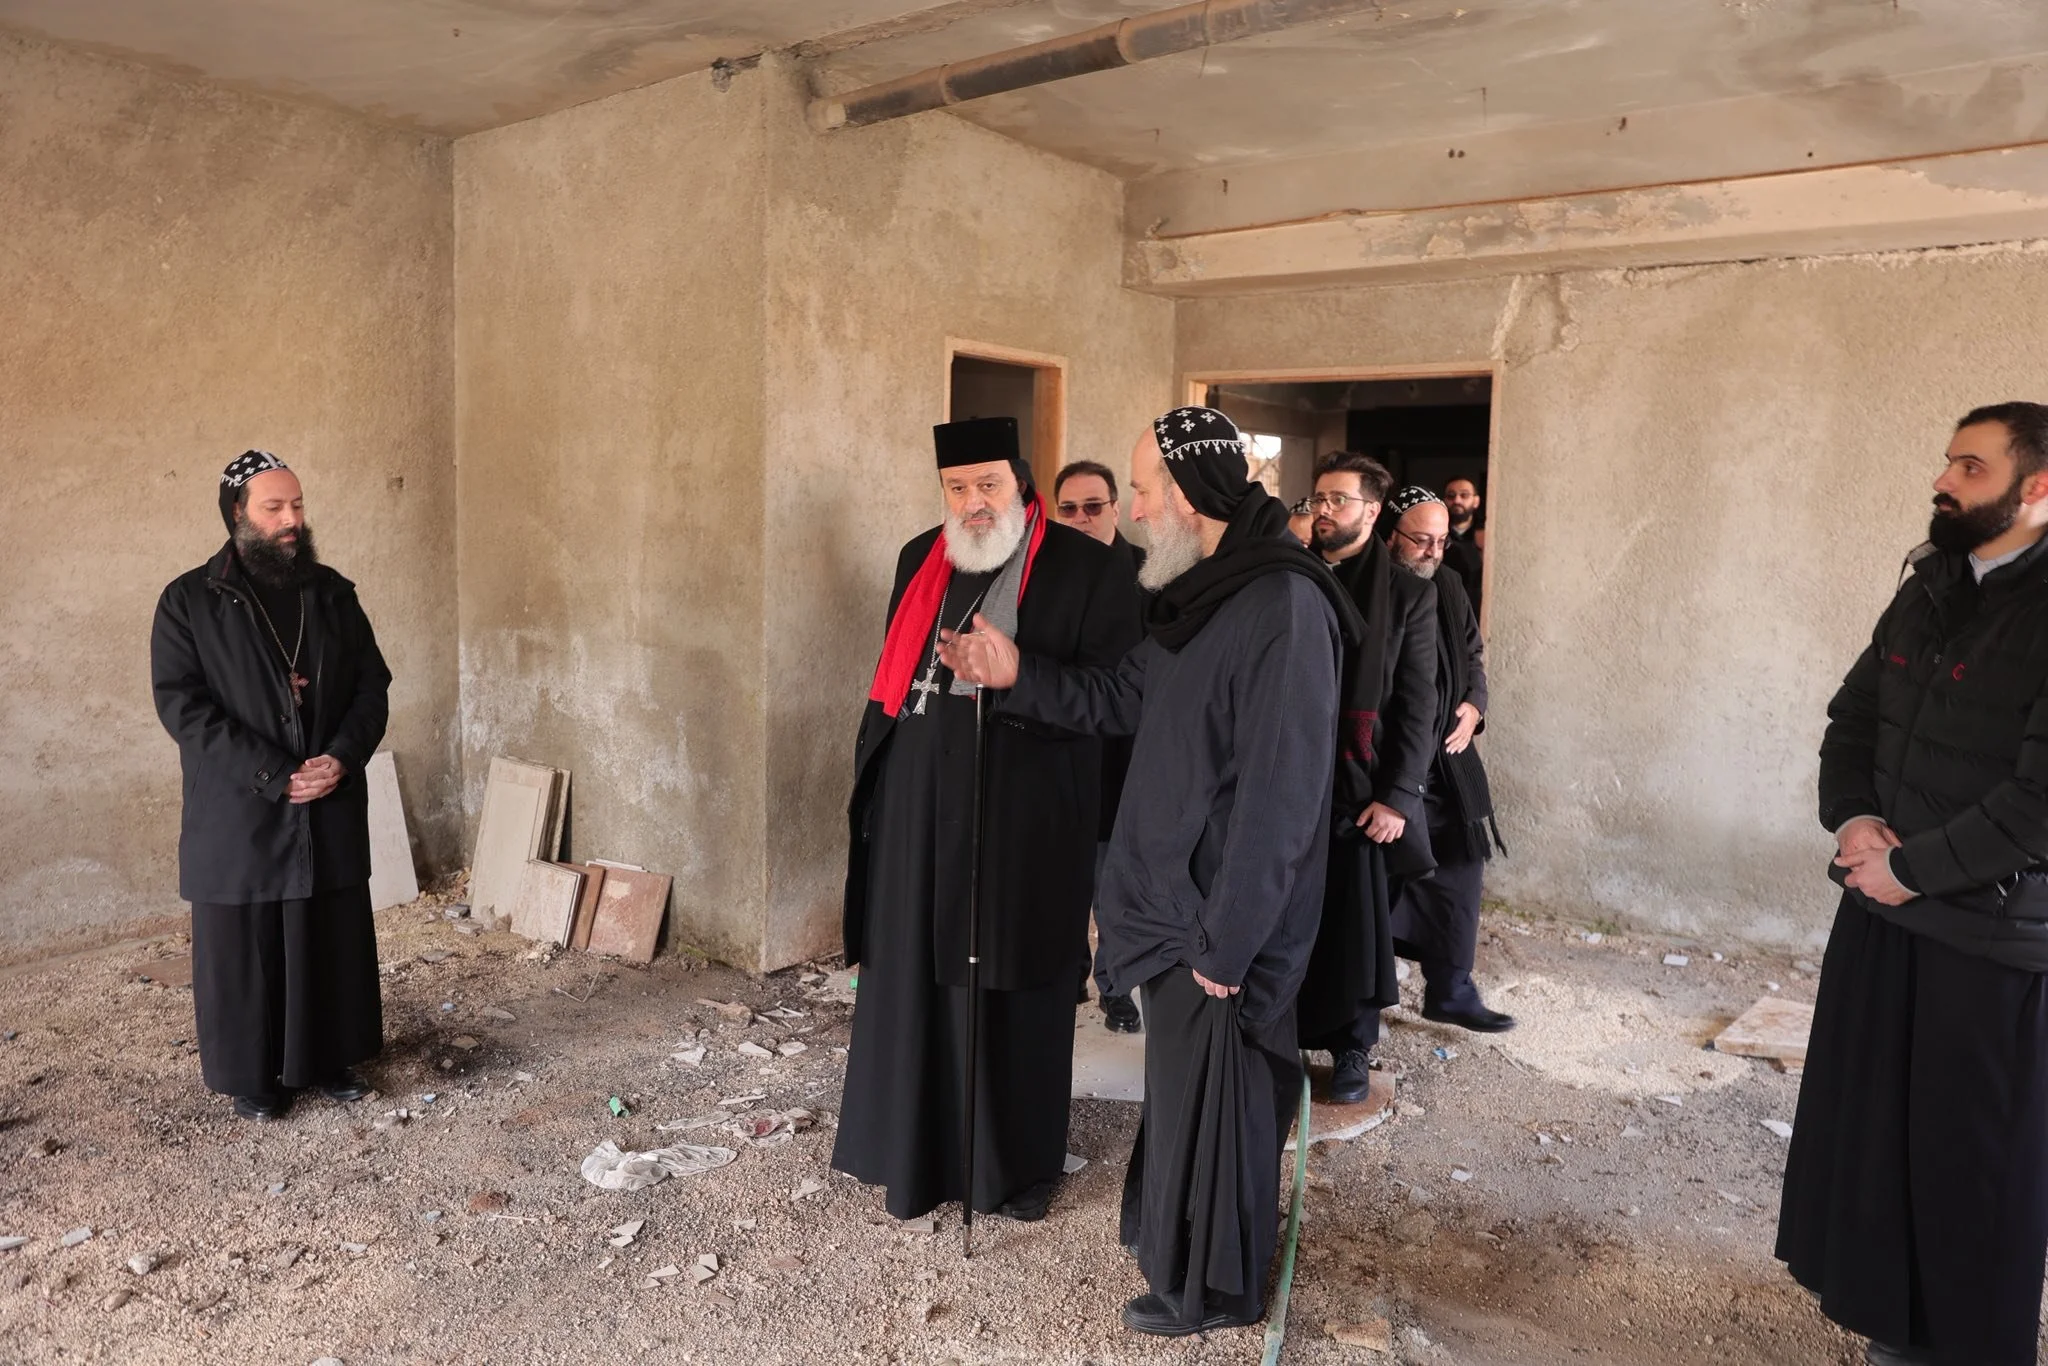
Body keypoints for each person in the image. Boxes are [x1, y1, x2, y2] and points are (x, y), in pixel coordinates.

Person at [941, 406, 1361, 1337]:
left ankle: (1216, 1288)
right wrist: (1017, 673)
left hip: (1219, 917)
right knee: (1186, 1097)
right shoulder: (1206, 590)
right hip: (1177, 904)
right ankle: (1185, 1260)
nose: (1130, 511)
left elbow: (1283, 799)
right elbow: (1121, 694)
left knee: (1232, 1103)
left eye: (1139, 489)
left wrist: (1230, 940)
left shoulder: (1284, 606)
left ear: (1184, 493)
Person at [1777, 402, 2048, 1366]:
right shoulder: (1930, 586)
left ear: (2037, 488)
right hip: (1885, 911)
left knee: (1973, 1171)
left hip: (1992, 941)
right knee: (1876, 1145)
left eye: (1971, 468)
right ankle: (1894, 1330)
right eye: (1948, 462)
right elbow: (1853, 718)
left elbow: (2038, 802)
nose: (1944, 480)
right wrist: (1854, 824)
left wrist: (1910, 870)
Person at [834, 417, 1143, 1224]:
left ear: (1021, 484)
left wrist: (1018, 673)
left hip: (1022, 822)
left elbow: (1120, 703)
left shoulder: (1090, 569)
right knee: (911, 977)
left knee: (1008, 988)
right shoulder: (918, 557)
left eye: (989, 487)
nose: (974, 505)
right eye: (958, 489)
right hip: (915, 812)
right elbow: (896, 684)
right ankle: (911, 1153)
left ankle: (1011, 1167)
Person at [150, 450, 391, 1122]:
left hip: (328, 796)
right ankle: (255, 1077)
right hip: (240, 807)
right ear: (237, 515)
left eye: (298, 505)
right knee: (249, 944)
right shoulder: (189, 602)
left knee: (329, 934)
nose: (292, 521)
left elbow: (373, 687)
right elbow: (183, 707)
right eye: (274, 508)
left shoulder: (334, 595)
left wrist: (341, 757)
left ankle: (331, 1058)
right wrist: (272, 773)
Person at [1291, 453, 1441, 1104]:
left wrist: (1399, 795)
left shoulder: (1409, 594)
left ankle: (1353, 1048)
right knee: (1287, 914)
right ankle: (1283, 1039)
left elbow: (1418, 703)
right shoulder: (1292, 577)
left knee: (1356, 926)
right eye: (1318, 499)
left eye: (1340, 500)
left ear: (1373, 510)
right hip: (1292, 780)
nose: (1325, 511)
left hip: (1360, 787)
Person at [1379, 488, 1513, 1034]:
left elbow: (1474, 655)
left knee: (1459, 865)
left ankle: (1450, 988)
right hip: (1388, 763)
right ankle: (1362, 1010)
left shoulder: (1450, 584)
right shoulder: (1374, 589)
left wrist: (1472, 706)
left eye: (1442, 540)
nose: (1433, 551)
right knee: (1381, 882)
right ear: (1391, 534)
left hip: (1449, 763)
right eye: (1421, 540)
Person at [1054, 459, 1148, 1034]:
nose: (1083, 517)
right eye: (1070, 508)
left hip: (1125, 756)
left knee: (1115, 883)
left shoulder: (1149, 573)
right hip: (1060, 751)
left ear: (1115, 507)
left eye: (1094, 506)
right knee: (1064, 876)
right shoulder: (1040, 574)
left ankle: (1116, 987)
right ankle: (1067, 978)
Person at [1441, 476, 1485, 613]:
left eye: (1464, 495)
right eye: (1451, 496)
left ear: (1476, 501)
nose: (1457, 500)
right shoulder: (1435, 535)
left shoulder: (1486, 535)